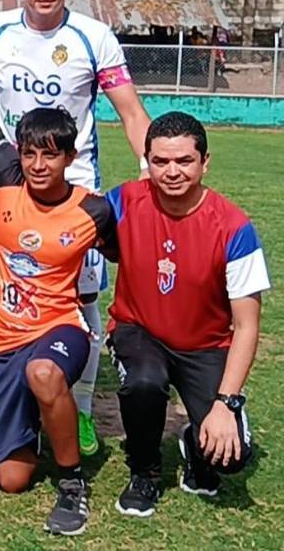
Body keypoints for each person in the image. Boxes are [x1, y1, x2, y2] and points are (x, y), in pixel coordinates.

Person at [0, 0, 151, 456]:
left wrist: (149, 170)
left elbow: (131, 112)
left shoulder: (93, 37)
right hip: (10, 186)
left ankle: (80, 409)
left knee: (82, 298)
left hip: (75, 190)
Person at [107, 112, 266, 517]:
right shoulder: (122, 202)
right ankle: (144, 472)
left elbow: (247, 326)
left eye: (184, 161)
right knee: (144, 383)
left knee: (231, 457)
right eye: (160, 161)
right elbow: (64, 223)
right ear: (147, 162)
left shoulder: (234, 228)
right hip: (140, 331)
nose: (172, 172)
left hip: (205, 345)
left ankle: (196, 443)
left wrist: (226, 403)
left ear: (205, 162)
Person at [0, 96, 116, 536]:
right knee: (12, 480)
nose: (38, 165)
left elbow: (125, 255)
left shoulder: (93, 210)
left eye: (50, 155)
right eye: (30, 153)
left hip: (60, 328)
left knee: (43, 373)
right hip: (1, 339)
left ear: (70, 157)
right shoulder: (6, 181)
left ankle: (72, 483)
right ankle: (35, 423)